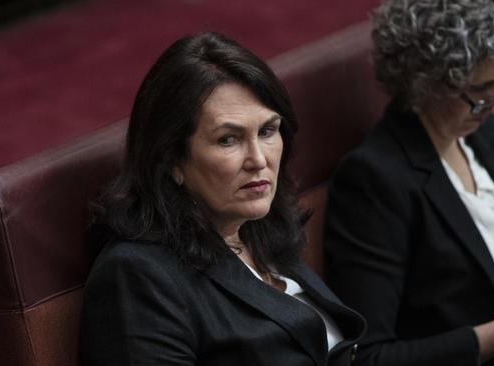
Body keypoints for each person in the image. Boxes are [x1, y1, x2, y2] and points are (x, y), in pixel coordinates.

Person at [79, 32, 366, 365]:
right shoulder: (136, 276)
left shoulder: (258, 231)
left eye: (268, 131)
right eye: (229, 139)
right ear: (172, 161)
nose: (259, 159)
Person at [324, 1, 494, 365]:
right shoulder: (375, 180)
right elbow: (368, 357)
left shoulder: (493, 134)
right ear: (427, 81)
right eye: (481, 88)